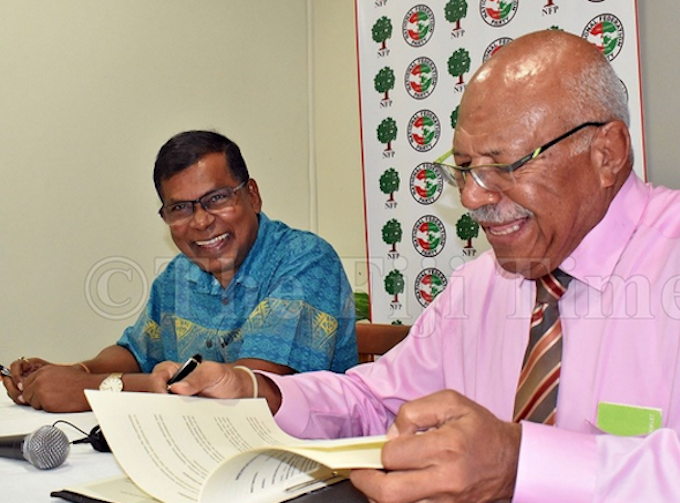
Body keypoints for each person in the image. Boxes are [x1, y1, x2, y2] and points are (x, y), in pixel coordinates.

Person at [153, 31, 680, 503]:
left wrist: (520, 465)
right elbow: (375, 400)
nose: (473, 197)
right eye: (467, 169)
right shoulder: (480, 287)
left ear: (606, 153)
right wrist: (258, 392)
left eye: (504, 166)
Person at [3, 131, 357, 413]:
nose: (201, 221)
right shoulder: (179, 274)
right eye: (181, 208)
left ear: (252, 195)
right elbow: (137, 353)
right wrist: (69, 373)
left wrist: (89, 390)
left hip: (296, 468)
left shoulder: (305, 261)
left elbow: (246, 393)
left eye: (217, 198)